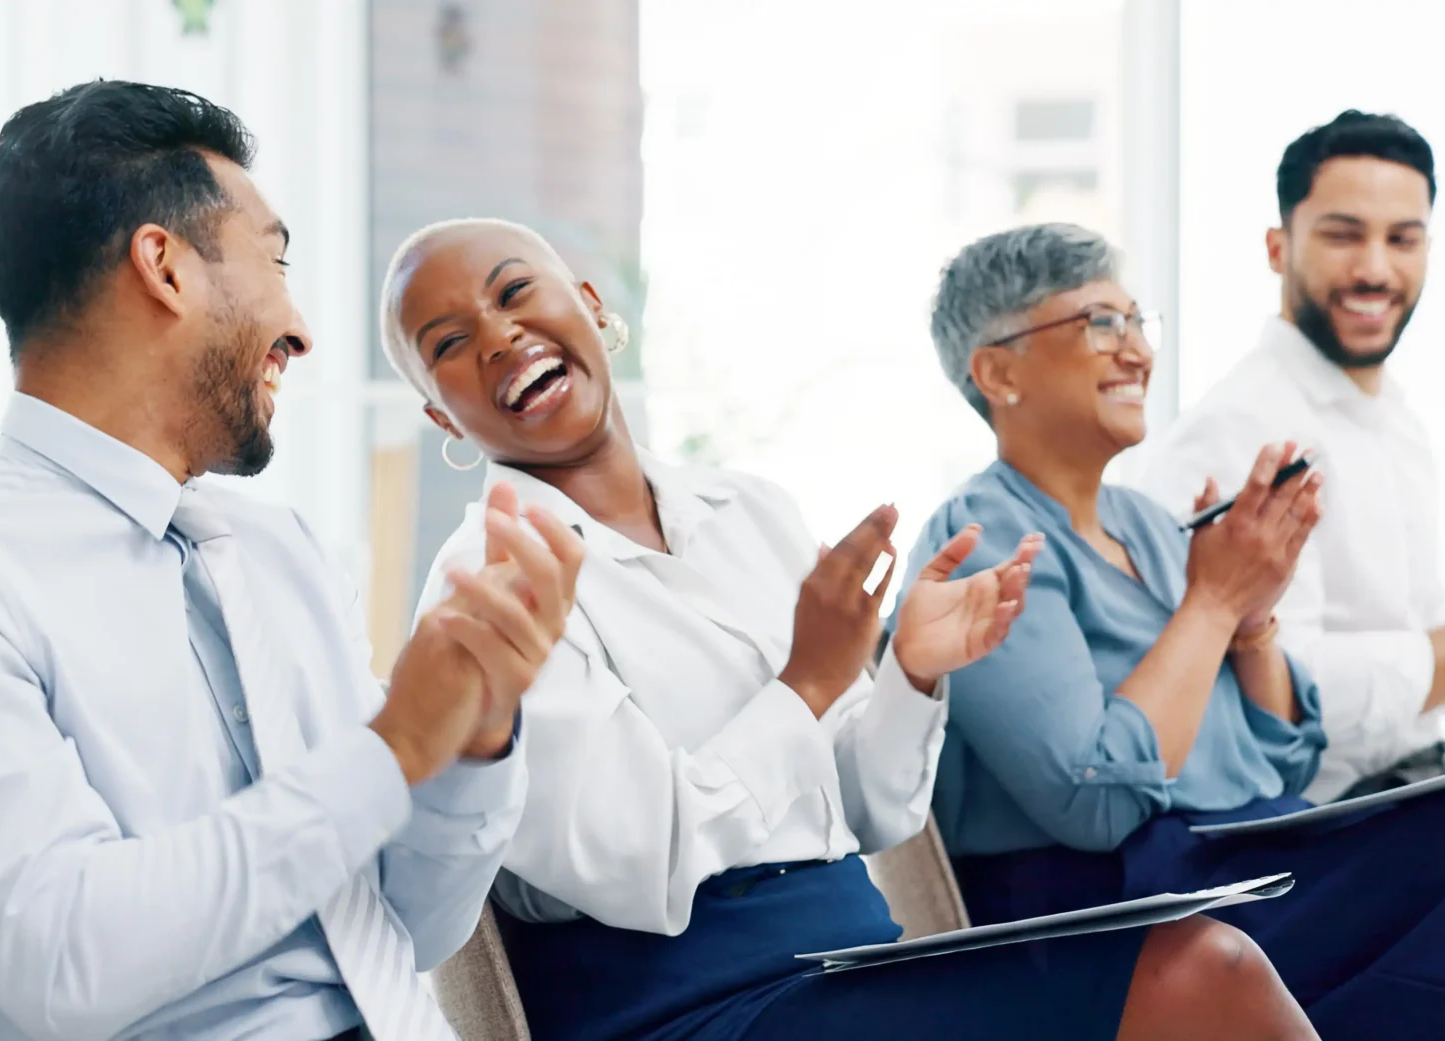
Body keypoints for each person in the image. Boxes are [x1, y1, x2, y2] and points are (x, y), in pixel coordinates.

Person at [380, 217, 1314, 1041]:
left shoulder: (750, 510)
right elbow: (641, 862)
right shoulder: (488, 590)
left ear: (589, 306)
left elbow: (866, 810)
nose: (500, 337)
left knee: (1203, 961)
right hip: (687, 1003)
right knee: (1203, 972)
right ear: (439, 414)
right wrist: (810, 682)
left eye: (514, 293)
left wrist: (909, 674)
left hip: (853, 957)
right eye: (452, 342)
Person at [0, 81, 582, 1041]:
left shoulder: (275, 552)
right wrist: (388, 754)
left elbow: (408, 930)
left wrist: (474, 738)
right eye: (273, 260)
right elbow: (66, 957)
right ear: (164, 267)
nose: (299, 329)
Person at [912, 221, 1445, 1037]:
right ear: (998, 371)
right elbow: (1093, 797)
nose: (1136, 352)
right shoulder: (984, 538)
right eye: (1100, 324)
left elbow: (1282, 751)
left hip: (1250, 860)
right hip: (1114, 903)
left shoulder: (1151, 528)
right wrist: (1210, 603)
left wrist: (1252, 616)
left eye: (1138, 323)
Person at [1128, 110, 1445, 802]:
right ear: (1278, 247)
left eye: (1403, 239)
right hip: (1314, 821)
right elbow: (1267, 689)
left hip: (1418, 785)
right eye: (1343, 235)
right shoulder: (1237, 429)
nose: (1375, 268)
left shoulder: (1401, 423)